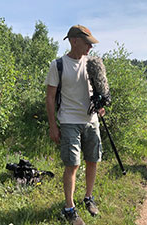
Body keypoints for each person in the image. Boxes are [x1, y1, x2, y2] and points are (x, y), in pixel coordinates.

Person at [45, 25, 105, 225]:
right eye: (87, 43)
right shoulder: (58, 65)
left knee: (92, 160)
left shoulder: (93, 64)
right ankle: (69, 208)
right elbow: (50, 97)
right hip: (69, 120)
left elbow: (99, 91)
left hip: (92, 121)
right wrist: (53, 125)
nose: (90, 47)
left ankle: (88, 198)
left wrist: (101, 106)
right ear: (74, 40)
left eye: (91, 44)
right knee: (72, 164)